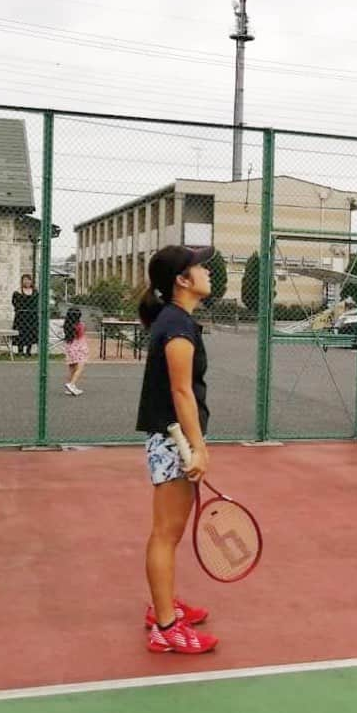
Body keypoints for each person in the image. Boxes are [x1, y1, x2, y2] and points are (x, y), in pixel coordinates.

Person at [137, 244, 219, 654]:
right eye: (199, 267)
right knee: (166, 535)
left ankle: (162, 606)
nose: (207, 271)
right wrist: (198, 449)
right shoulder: (177, 326)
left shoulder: (176, 320)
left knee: (168, 533)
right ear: (182, 281)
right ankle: (166, 627)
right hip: (175, 440)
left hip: (172, 439)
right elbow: (181, 391)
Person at [62, 307, 88, 396]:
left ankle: (70, 386)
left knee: (72, 368)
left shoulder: (67, 325)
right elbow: (82, 334)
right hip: (79, 347)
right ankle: (71, 384)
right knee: (80, 367)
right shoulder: (80, 325)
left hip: (69, 346)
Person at [12, 274, 39, 356]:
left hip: (32, 317)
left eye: (28, 280)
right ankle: (20, 351)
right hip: (21, 316)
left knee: (31, 333)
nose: (27, 282)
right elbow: (15, 303)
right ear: (22, 281)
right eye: (25, 280)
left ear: (31, 281)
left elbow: (36, 303)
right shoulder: (17, 292)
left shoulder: (35, 292)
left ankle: (28, 351)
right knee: (21, 333)